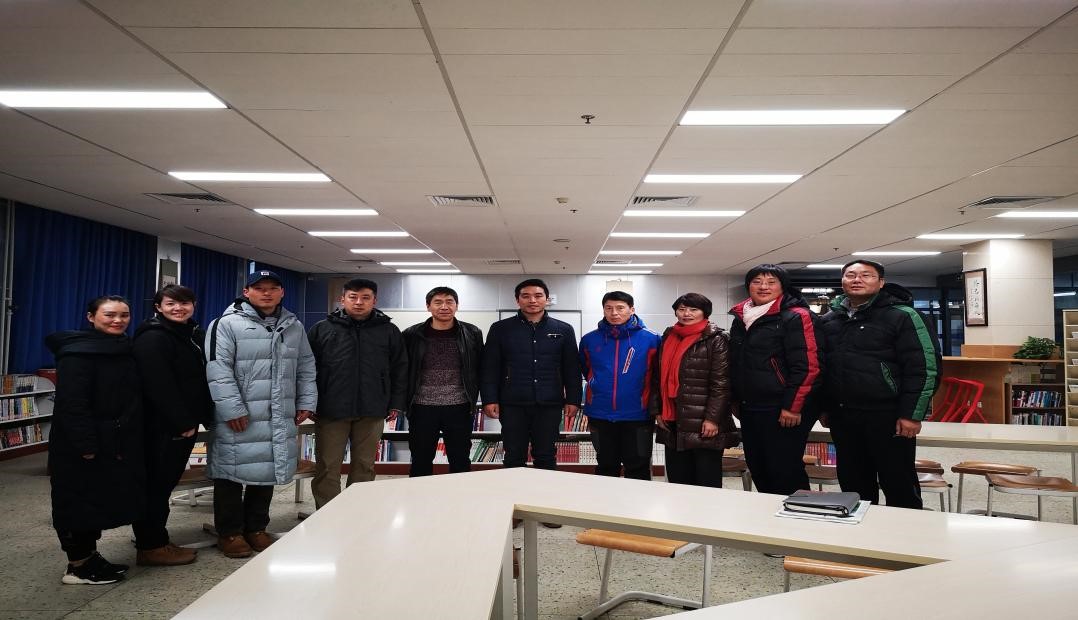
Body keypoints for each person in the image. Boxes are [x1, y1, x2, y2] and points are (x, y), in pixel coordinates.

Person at [205, 270, 317, 557]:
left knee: (268, 468)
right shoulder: (225, 324)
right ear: (247, 292)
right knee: (230, 473)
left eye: (272, 288)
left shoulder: (293, 326)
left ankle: (256, 528)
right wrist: (231, 408)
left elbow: (306, 365)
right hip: (240, 413)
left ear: (282, 292)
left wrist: (307, 401)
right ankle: (229, 533)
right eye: (259, 288)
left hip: (279, 412)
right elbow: (218, 369)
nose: (266, 293)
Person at [818, 260, 941, 509]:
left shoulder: (903, 316)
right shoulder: (830, 319)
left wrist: (912, 414)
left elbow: (924, 368)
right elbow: (823, 368)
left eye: (866, 275)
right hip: (843, 415)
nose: (857, 279)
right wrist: (824, 407)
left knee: (898, 481)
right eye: (850, 275)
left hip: (889, 416)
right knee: (853, 483)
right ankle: (860, 532)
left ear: (881, 282)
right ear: (842, 281)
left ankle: (905, 532)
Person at [46, 295, 144, 585]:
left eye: (124, 315)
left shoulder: (121, 348)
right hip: (81, 442)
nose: (118, 320)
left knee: (96, 501)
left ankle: (89, 556)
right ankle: (77, 566)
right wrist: (86, 445)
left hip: (111, 438)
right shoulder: (77, 353)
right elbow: (72, 404)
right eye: (110, 315)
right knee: (77, 501)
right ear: (91, 317)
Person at [481, 279, 581, 527]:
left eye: (538, 295)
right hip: (512, 402)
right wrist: (490, 398)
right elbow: (490, 366)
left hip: (549, 403)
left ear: (547, 299)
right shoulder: (501, 328)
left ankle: (546, 509)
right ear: (518, 300)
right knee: (513, 456)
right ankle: (514, 509)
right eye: (526, 296)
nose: (532, 300)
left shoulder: (563, 329)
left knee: (545, 456)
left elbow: (571, 367)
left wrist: (573, 399)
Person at [131, 284, 214, 566]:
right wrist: (182, 422)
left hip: (181, 424)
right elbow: (157, 385)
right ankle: (151, 547)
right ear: (158, 307)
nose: (178, 308)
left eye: (184, 303)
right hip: (164, 426)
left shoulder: (189, 334)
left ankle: (157, 540)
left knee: (163, 484)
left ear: (194, 305)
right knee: (157, 486)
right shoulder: (154, 338)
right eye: (170, 304)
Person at [307, 278, 407, 505]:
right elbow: (306, 369)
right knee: (327, 465)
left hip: (373, 408)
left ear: (374, 301)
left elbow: (400, 369)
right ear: (342, 299)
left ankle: (357, 512)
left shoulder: (389, 331)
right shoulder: (322, 329)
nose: (359, 302)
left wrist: (396, 403)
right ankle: (328, 514)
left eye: (365, 297)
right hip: (331, 408)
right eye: (353, 297)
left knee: (364, 465)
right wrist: (309, 402)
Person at [729, 265, 822, 495]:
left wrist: (793, 406)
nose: (763, 287)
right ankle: (768, 514)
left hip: (783, 408)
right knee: (759, 466)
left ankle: (798, 514)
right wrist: (736, 400)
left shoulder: (797, 316)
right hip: (751, 406)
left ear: (783, 286)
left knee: (784, 469)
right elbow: (736, 362)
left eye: (771, 282)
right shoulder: (742, 318)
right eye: (757, 281)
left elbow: (808, 366)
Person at [650, 293, 738, 488]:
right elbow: (658, 377)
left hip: (703, 422)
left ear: (705, 313)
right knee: (678, 481)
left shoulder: (716, 339)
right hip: (673, 419)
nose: (686, 314)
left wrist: (712, 419)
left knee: (706, 482)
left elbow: (721, 384)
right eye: (681, 309)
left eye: (693, 309)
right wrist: (657, 411)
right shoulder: (669, 336)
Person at [578, 291, 660, 480]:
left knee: (638, 468)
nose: (614, 313)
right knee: (606, 466)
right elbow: (586, 369)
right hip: (600, 413)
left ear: (632, 309)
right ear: (603, 310)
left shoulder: (652, 339)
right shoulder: (590, 340)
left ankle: (636, 501)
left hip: (638, 414)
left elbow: (658, 375)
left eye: (620, 308)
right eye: (609, 308)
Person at [401, 287, 483, 476]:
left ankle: (459, 494)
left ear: (457, 305)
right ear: (428, 306)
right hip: (421, 407)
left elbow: (480, 367)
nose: (444, 307)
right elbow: (401, 370)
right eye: (438, 302)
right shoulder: (411, 335)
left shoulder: (472, 333)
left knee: (460, 459)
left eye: (449, 302)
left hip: (459, 406)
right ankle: (420, 494)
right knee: (420, 459)